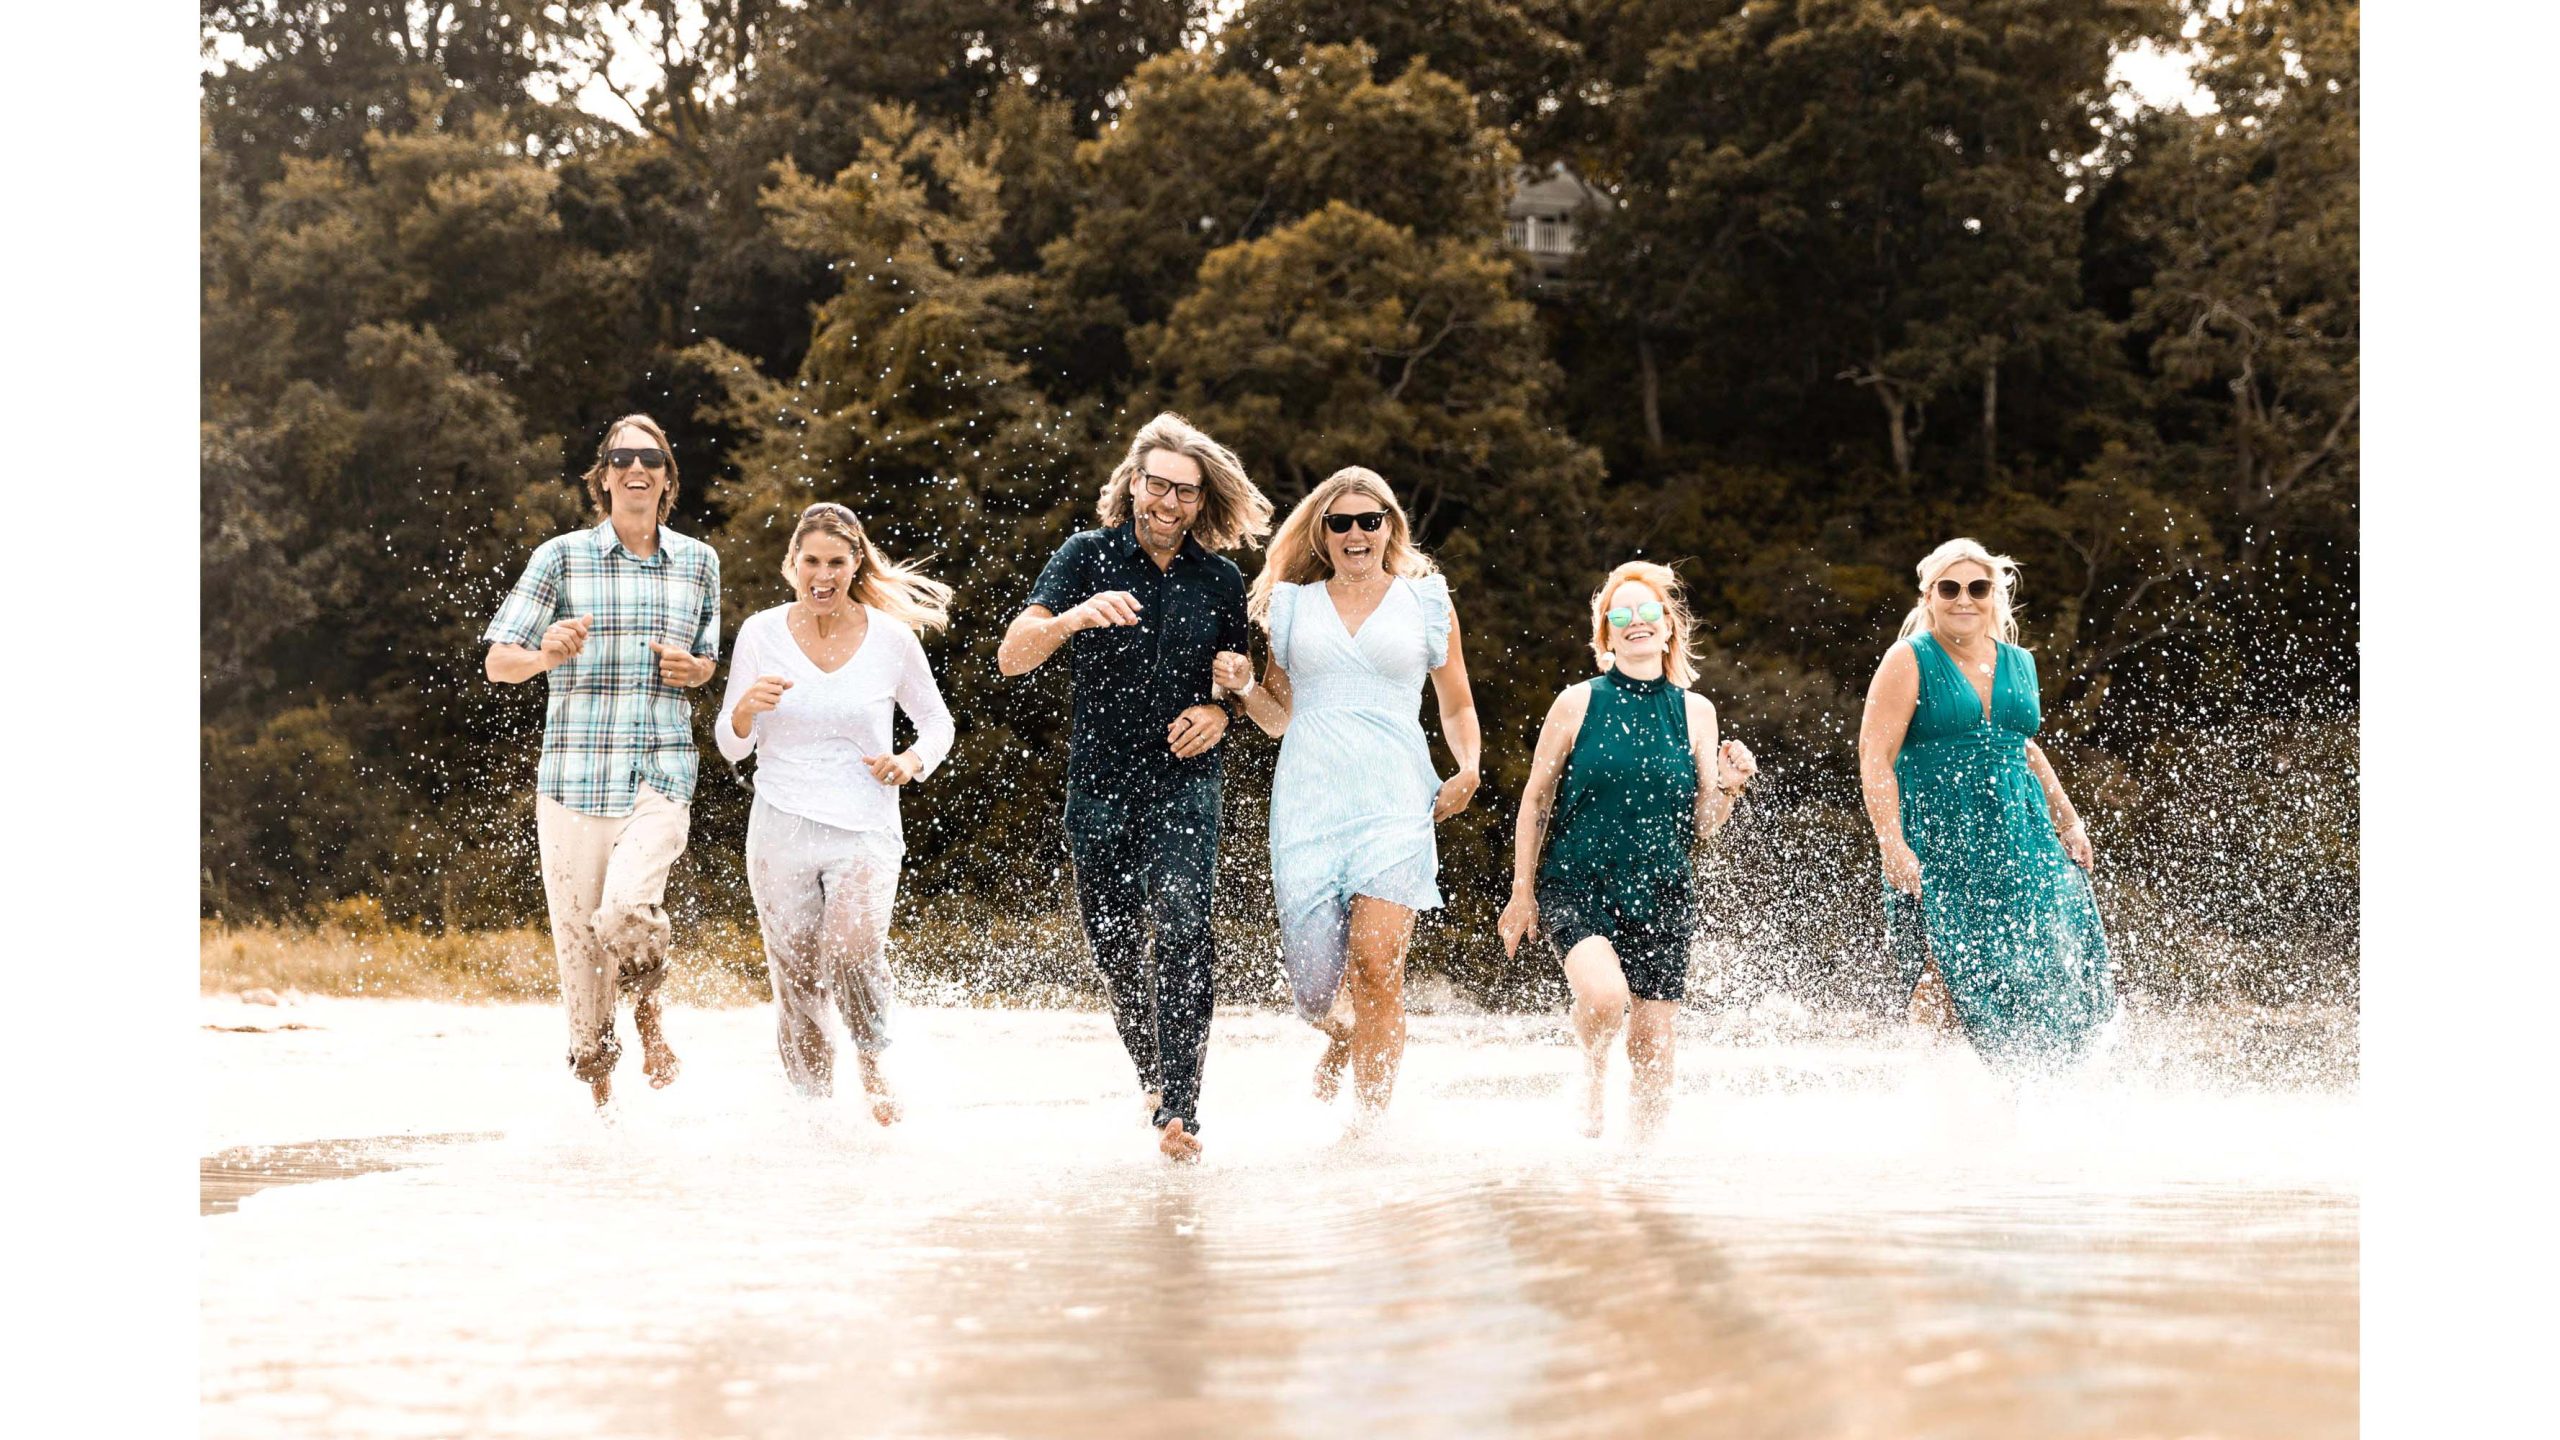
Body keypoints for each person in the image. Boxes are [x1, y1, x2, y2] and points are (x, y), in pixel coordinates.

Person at [997, 413, 1272, 1161]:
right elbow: (1012, 656)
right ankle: (1152, 1079)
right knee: (1118, 949)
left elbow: (1237, 684)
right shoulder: (1083, 557)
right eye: (1158, 484)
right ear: (1134, 483)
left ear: (1201, 500)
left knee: (1185, 928)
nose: (1169, 502)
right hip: (1099, 786)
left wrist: (1221, 710)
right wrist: (1076, 618)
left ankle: (1181, 1111)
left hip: (1185, 783)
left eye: (1186, 491)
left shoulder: (1219, 579)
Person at [483, 415, 721, 1108]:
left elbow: (706, 662)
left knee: (624, 909)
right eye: (622, 458)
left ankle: (650, 1020)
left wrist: (695, 671)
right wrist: (546, 655)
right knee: (583, 976)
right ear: (604, 476)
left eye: (651, 457)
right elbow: (500, 663)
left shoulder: (699, 562)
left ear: (667, 476)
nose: (636, 468)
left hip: (659, 773)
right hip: (572, 783)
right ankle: (604, 1122)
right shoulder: (561, 558)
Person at [1228, 467, 1480, 1124]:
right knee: (1315, 994)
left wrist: (1470, 766)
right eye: (1340, 522)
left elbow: (1455, 703)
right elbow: (1278, 715)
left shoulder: (1426, 602)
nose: (1356, 533)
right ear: (1323, 533)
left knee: (1376, 967)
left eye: (1370, 520)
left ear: (1390, 527)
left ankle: (1368, 1132)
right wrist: (1246, 685)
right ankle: (1341, 1034)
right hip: (1310, 805)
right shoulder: (1291, 605)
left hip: (1396, 801)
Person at [715, 503, 955, 1122]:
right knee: (794, 972)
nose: (823, 575)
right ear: (791, 564)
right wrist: (743, 710)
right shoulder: (761, 633)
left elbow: (937, 723)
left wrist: (910, 762)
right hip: (780, 822)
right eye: (811, 562)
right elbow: (731, 742)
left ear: (855, 565)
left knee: (851, 951)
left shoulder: (891, 640)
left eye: (837, 562)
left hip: (866, 823)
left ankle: (873, 1064)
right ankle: (812, 1108)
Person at [1498, 562, 1756, 1138]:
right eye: (1622, 616)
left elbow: (1704, 824)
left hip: (1663, 890)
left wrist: (1730, 785)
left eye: (1647, 614)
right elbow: (1536, 799)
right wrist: (1522, 892)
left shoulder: (1697, 712)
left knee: (1654, 1045)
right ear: (1607, 634)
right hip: (1578, 880)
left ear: (1667, 628)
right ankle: (1590, 1070)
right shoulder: (1576, 702)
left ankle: (1642, 1173)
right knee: (1604, 996)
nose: (1636, 623)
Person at [1856, 538, 2118, 1071]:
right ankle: (1931, 1092)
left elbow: (2021, 745)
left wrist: (2069, 821)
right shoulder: (1908, 659)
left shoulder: (2020, 662)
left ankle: (2031, 1083)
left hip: (2020, 830)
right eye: (1949, 588)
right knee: (1945, 964)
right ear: (1929, 595)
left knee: (2042, 953)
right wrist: (1891, 844)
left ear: (1994, 594)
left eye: (1978, 587)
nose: (1964, 599)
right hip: (1942, 833)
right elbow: (1874, 756)